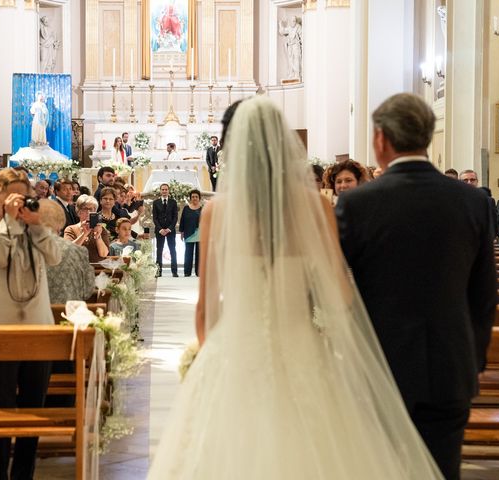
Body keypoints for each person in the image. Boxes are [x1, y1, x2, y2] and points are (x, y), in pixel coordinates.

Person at [148, 95, 443, 479]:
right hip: (304, 351)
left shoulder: (215, 212)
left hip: (236, 355)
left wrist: (214, 361)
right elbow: (338, 296)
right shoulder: (316, 207)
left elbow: (207, 309)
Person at [336, 93, 497, 480]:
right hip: (451, 368)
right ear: (427, 137)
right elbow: (483, 294)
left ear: (380, 140)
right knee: (443, 471)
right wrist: (471, 361)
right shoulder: (471, 201)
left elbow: (342, 291)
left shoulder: (358, 203)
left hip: (381, 368)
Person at [0, 168, 61, 480]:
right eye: (13, 194)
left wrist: (37, 227)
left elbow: (55, 258)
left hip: (39, 329)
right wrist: (9, 221)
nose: (20, 200)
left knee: (33, 409)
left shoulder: (36, 229)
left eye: (25, 194)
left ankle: (24, 473)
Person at [41, 199, 95, 303]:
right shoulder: (77, 250)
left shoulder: (23, 247)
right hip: (69, 310)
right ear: (60, 223)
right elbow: (88, 290)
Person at [64, 194, 110, 262]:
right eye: (85, 209)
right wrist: (84, 234)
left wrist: (98, 236)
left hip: (98, 269)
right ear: (79, 211)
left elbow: (104, 254)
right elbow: (69, 251)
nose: (88, 212)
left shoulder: (101, 230)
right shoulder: (70, 229)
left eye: (91, 209)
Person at [152, 183, 178, 277]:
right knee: (159, 250)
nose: (164, 191)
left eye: (166, 189)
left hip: (170, 230)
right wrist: (160, 229)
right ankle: (158, 272)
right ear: (160, 191)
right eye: (162, 189)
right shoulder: (156, 202)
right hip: (160, 231)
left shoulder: (173, 202)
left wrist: (169, 229)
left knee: (172, 250)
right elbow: (155, 218)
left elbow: (175, 217)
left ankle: (174, 271)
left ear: (168, 191)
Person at [179, 189, 202, 276]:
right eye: (193, 197)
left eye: (196, 197)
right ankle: (187, 272)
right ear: (190, 198)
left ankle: (198, 272)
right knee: (188, 254)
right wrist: (181, 232)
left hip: (200, 234)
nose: (194, 198)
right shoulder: (186, 208)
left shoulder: (202, 208)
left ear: (199, 198)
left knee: (199, 254)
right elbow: (182, 221)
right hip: (188, 234)